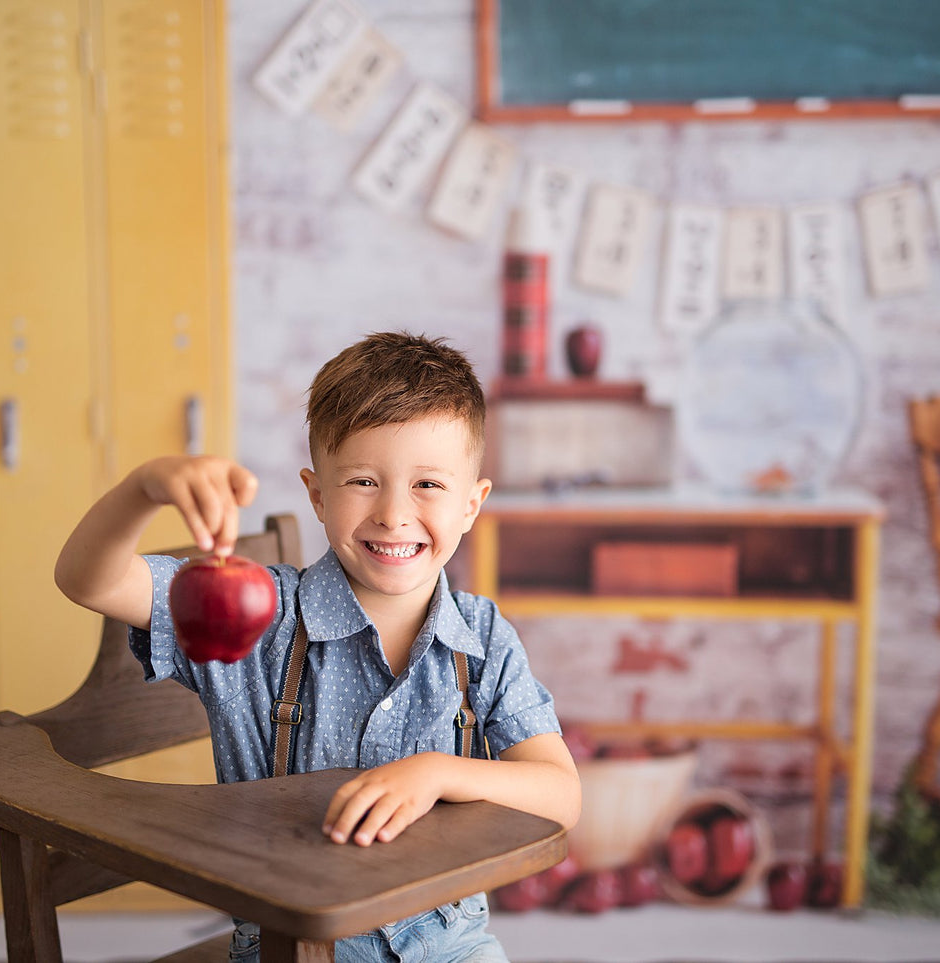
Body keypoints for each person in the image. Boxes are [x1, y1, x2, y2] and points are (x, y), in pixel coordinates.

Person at [55, 331, 581, 962]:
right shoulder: (262, 619)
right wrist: (146, 488)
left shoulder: (485, 639)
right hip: (290, 950)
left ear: (472, 504)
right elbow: (89, 580)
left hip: (449, 947)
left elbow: (561, 794)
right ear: (316, 494)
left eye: (429, 486)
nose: (393, 513)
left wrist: (437, 772)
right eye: (363, 480)